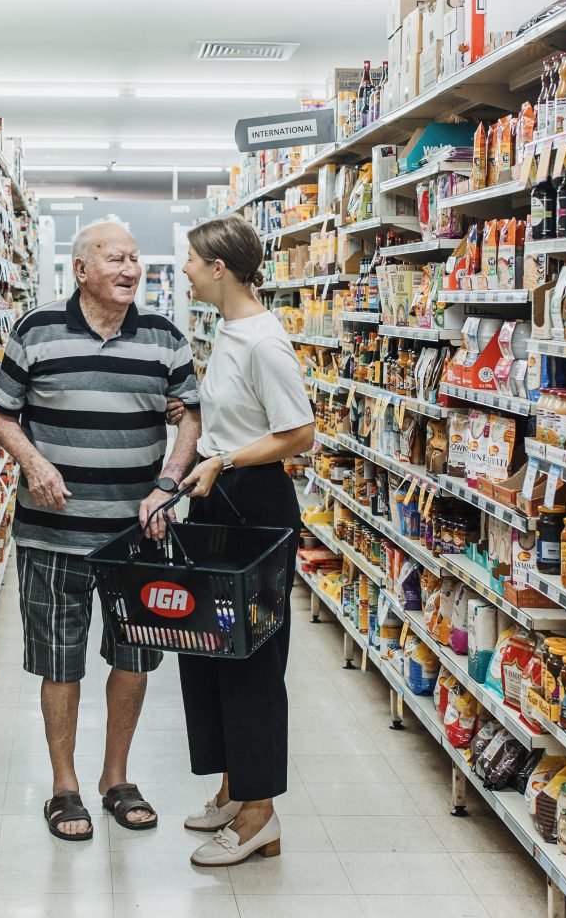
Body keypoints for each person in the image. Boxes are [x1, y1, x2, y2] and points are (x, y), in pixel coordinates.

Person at [0, 220, 203, 842]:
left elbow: (189, 415)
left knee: (134, 656)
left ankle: (116, 777)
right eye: (115, 258)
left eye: (135, 258)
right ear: (81, 270)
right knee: (61, 662)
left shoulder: (165, 338)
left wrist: (168, 483)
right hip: (52, 532)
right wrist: (34, 462)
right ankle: (64, 785)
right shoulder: (35, 331)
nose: (130, 269)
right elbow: (1, 412)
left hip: (138, 538)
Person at [172, 215, 314, 868]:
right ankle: (233, 788)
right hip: (217, 502)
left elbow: (299, 433)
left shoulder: (262, 339)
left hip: (254, 509)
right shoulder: (227, 330)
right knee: (208, 649)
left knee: (252, 659)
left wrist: (223, 460)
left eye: (192, 261)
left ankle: (261, 815)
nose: (186, 270)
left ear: (220, 268)